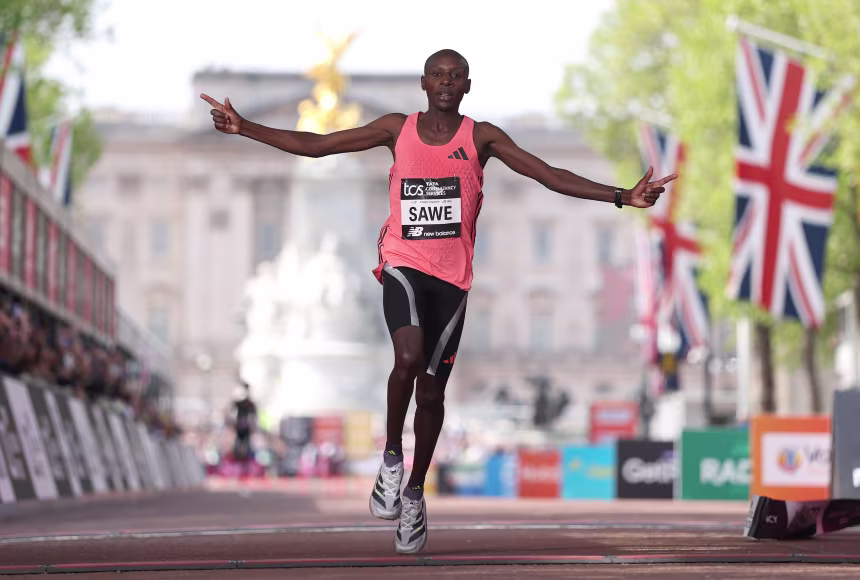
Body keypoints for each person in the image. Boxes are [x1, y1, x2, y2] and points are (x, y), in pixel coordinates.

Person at [201, 49, 675, 554]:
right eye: (438, 75)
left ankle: (414, 492)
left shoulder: (482, 137)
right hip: (402, 264)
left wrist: (622, 196)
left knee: (430, 394)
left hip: (452, 280)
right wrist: (244, 127)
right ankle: (391, 458)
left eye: (455, 77)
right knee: (406, 358)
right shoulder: (395, 128)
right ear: (424, 83)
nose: (446, 83)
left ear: (467, 86)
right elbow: (318, 145)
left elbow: (547, 174)